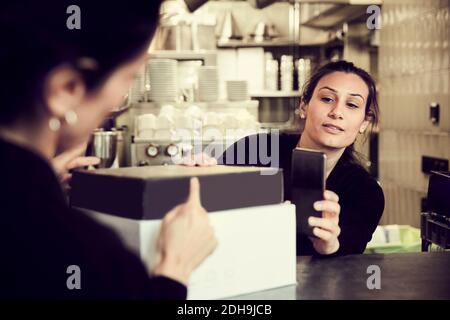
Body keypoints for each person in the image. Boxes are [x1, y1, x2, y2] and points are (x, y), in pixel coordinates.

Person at [0, 0, 217, 299]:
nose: (120, 98)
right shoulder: (82, 255)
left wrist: (41, 180)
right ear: (67, 89)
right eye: (128, 77)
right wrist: (175, 267)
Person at [216, 60, 385, 256]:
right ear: (304, 105)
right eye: (327, 99)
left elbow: (349, 261)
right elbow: (204, 213)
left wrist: (330, 246)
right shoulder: (254, 150)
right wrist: (198, 175)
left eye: (352, 104)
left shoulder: (366, 192)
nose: (337, 112)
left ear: (364, 122)